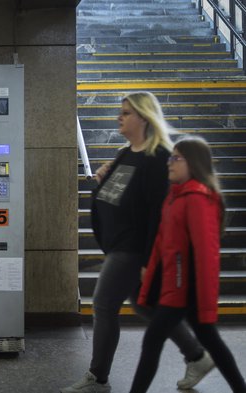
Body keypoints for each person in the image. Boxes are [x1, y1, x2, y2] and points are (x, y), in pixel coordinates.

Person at [61, 92, 212, 393]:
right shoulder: (126, 152)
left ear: (144, 117)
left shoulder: (157, 159)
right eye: (121, 111)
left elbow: (161, 214)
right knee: (146, 306)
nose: (120, 117)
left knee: (103, 305)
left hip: (133, 248)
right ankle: (197, 355)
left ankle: (98, 377)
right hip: (119, 243)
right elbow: (116, 195)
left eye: (127, 113)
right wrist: (103, 179)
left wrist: (148, 261)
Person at [129, 137, 246, 392]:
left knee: (153, 341)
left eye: (176, 158)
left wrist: (202, 299)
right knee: (210, 341)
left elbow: (206, 253)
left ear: (193, 163)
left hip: (186, 289)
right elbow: (162, 244)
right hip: (178, 285)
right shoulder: (176, 197)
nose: (169, 163)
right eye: (170, 157)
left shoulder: (197, 199)